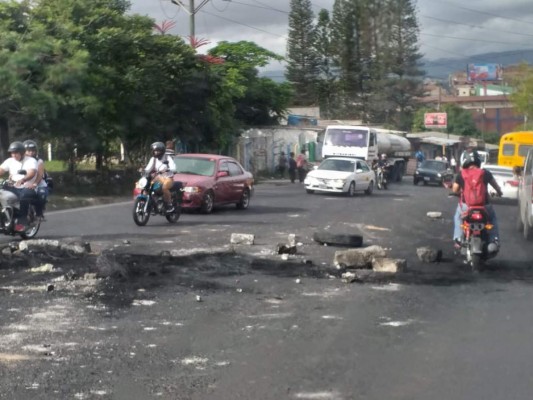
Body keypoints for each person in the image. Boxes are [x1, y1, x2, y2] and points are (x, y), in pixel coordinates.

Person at [452, 150, 503, 253]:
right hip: (484, 206)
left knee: (458, 216)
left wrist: (460, 191)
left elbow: (454, 190)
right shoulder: (485, 173)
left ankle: (458, 239)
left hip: (467, 207)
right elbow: (496, 186)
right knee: (492, 219)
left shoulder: (461, 174)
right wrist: (499, 192)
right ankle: (494, 240)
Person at [0, 141, 39, 232]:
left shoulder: (31, 161)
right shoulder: (10, 161)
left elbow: (31, 172)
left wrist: (23, 180)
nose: (14, 155)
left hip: (27, 186)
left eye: (16, 153)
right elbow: (1, 170)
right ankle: (5, 217)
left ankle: (22, 222)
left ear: (22, 153)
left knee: (24, 197)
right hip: (13, 185)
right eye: (12, 153)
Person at [144, 141, 176, 213]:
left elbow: (173, 167)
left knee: (164, 188)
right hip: (158, 178)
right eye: (154, 151)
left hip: (168, 178)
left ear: (162, 151)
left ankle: (169, 204)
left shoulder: (168, 158)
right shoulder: (153, 159)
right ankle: (149, 203)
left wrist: (168, 169)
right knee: (147, 187)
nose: (156, 153)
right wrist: (145, 172)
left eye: (157, 151)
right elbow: (148, 168)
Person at [23, 140, 48, 219]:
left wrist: (35, 184)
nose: (31, 153)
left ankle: (39, 213)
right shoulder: (20, 161)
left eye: (33, 151)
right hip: (24, 183)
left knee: (41, 195)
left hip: (38, 184)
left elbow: (40, 175)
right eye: (28, 151)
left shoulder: (39, 161)